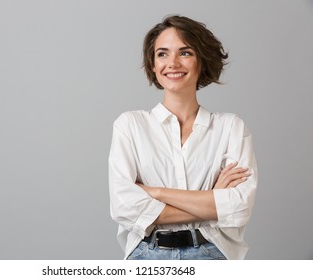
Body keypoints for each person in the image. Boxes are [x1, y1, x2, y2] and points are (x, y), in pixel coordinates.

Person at [108, 15, 258, 260]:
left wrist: (156, 192)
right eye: (162, 54)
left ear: (202, 60)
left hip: (211, 254)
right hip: (146, 255)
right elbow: (124, 207)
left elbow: (238, 208)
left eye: (185, 52)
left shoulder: (230, 128)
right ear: (153, 64)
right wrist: (211, 203)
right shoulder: (130, 125)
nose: (173, 63)